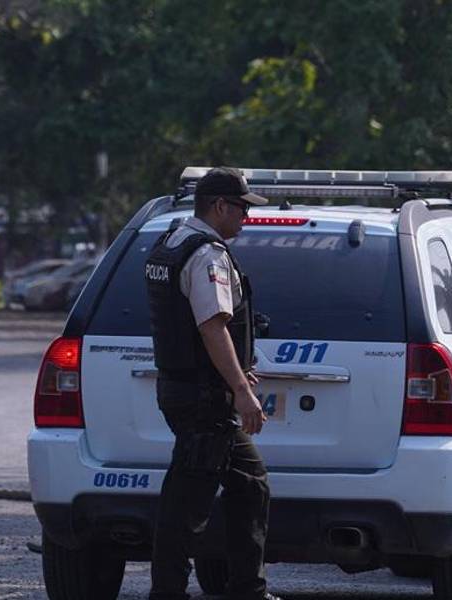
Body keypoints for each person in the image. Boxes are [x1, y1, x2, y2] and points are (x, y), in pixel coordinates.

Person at [144, 166, 278, 600]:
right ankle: (168, 593)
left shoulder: (171, 242)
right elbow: (211, 326)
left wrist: (235, 373)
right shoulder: (206, 254)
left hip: (188, 390)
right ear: (219, 206)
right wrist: (241, 390)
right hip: (205, 401)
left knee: (250, 483)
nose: (246, 217)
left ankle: (247, 589)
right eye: (241, 208)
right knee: (186, 506)